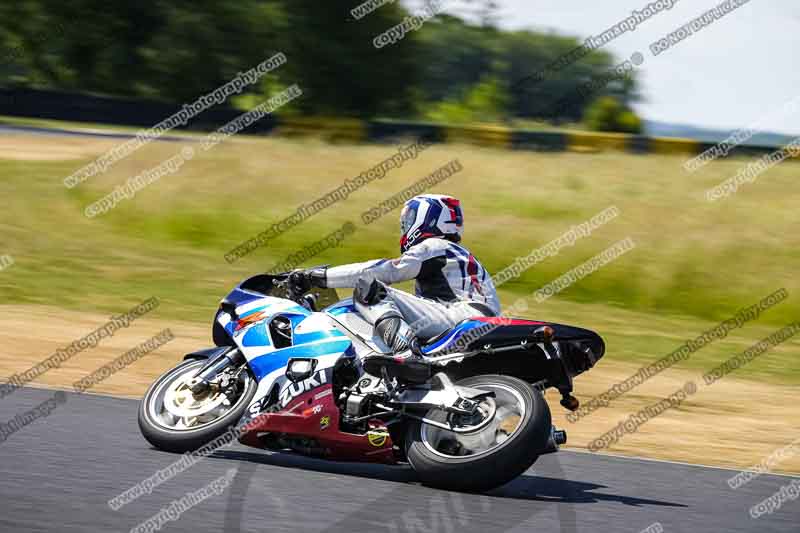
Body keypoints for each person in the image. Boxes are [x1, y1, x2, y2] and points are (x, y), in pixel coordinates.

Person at [292, 194, 500, 380]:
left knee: (369, 288)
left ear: (429, 220)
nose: (405, 226)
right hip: (472, 320)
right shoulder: (456, 255)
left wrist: (318, 277)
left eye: (410, 219)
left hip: (463, 317)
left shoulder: (436, 246)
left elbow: (387, 271)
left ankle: (406, 353)